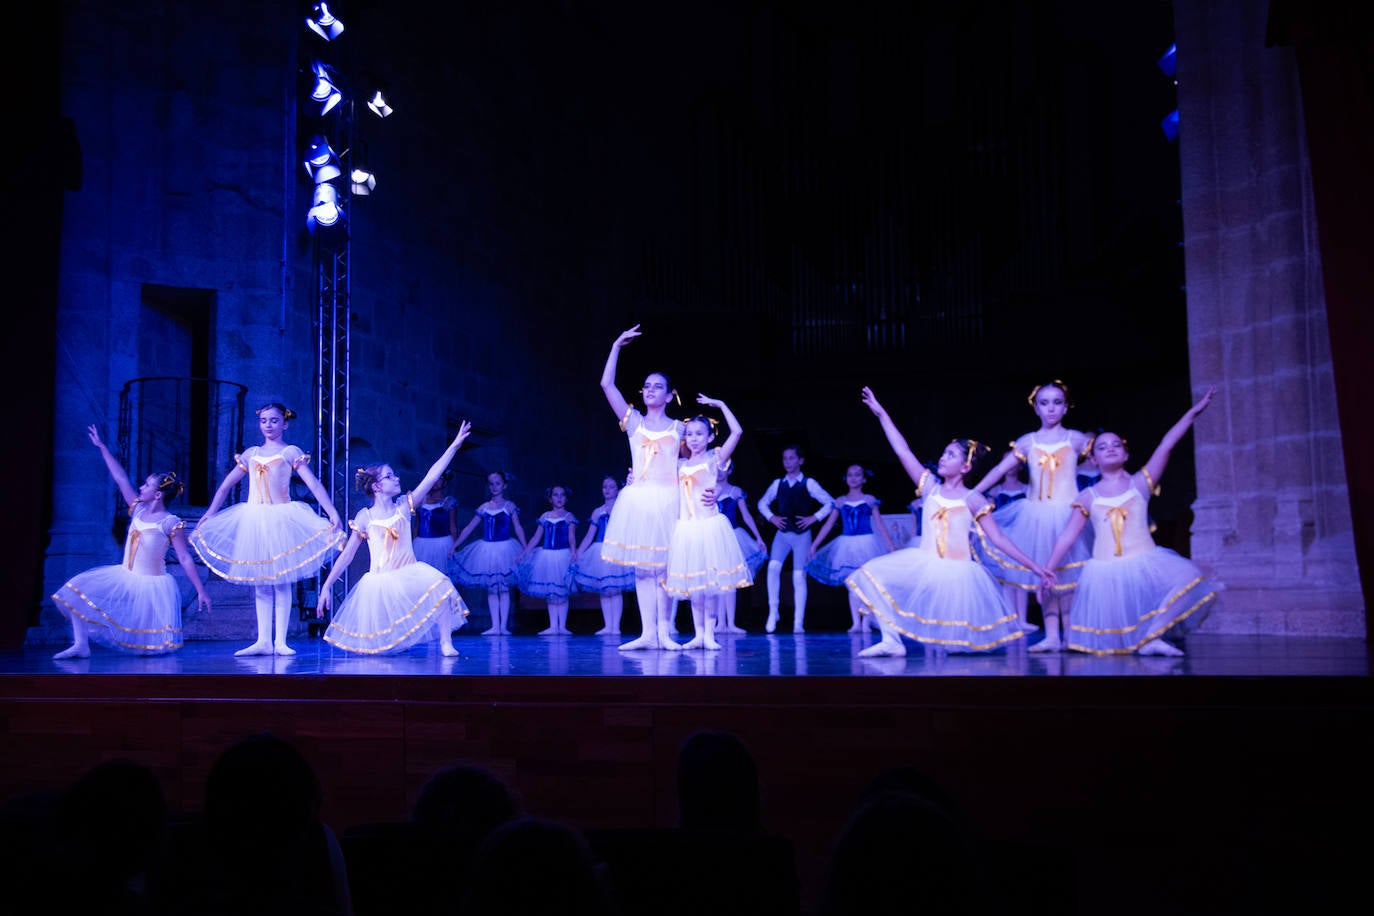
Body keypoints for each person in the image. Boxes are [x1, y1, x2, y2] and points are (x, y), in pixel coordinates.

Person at [847, 387, 1050, 657]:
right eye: (944, 453)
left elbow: (998, 539)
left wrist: (1035, 566)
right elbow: (903, 451)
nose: (943, 457)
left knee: (956, 651)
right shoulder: (930, 487)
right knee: (871, 576)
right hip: (925, 563)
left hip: (957, 573)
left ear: (965, 467)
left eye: (951, 455)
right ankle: (891, 641)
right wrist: (882, 414)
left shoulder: (973, 499)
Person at [1042, 388, 1219, 655]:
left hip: (1144, 560)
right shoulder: (1087, 496)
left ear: (1125, 454)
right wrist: (1047, 570)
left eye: (1116, 445)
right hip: (1105, 569)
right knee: (1110, 644)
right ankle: (1142, 646)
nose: (1110, 449)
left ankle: (1151, 636)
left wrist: (1192, 414)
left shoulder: (1141, 484)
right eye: (1102, 447)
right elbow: (1068, 535)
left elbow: (1166, 445)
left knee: (1191, 578)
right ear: (1093, 459)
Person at [193, 403, 343, 656]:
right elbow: (225, 487)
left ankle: (281, 641)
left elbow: (314, 484)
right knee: (260, 582)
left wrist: (332, 512)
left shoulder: (289, 452)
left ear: (285, 424)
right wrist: (209, 513)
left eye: (274, 420)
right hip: (254, 519)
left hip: (280, 518)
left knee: (281, 580)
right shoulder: (250, 454)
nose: (268, 425)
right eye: (264, 420)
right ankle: (263, 640)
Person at [52, 425, 211, 658]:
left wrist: (201, 590)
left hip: (151, 585)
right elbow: (120, 478)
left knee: (150, 651)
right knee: (74, 593)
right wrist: (102, 447)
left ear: (158, 494)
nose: (140, 487)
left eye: (146, 485)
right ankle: (81, 645)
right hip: (125, 575)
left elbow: (185, 557)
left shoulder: (170, 522)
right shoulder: (137, 510)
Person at [318, 422, 472, 656]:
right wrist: (327, 586)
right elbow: (347, 555)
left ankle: (446, 642)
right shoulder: (365, 518)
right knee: (380, 649)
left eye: (394, 475)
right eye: (390, 476)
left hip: (409, 573)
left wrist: (454, 446)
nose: (396, 478)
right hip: (380, 581)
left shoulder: (403, 507)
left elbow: (431, 476)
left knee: (441, 587)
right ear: (378, 486)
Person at [971, 380, 1094, 652]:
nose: (1051, 408)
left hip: (1067, 514)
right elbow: (1000, 470)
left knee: (1069, 579)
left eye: (1057, 402)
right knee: (1046, 574)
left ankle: (1071, 634)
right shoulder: (1028, 442)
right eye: (1045, 403)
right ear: (1036, 408)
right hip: (1035, 516)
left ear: (1065, 407)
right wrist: (973, 493)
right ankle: (1051, 635)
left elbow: (1106, 463)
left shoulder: (1076, 439)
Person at [598, 325, 684, 651]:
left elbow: (693, 467)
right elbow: (607, 384)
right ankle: (648, 633)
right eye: (646, 385)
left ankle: (665, 633)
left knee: (665, 569)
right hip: (640, 500)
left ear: (668, 395)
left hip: (669, 500)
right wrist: (617, 344)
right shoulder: (633, 422)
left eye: (657, 386)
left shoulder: (679, 429)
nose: (649, 390)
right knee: (643, 569)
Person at [663, 396, 751, 651]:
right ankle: (698, 634)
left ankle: (710, 635)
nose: (693, 438)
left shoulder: (715, 458)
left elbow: (737, 431)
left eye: (699, 434)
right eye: (689, 434)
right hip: (686, 529)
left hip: (709, 526)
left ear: (710, 437)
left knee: (710, 586)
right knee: (694, 585)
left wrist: (721, 405)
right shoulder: (679, 464)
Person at [806, 465, 897, 635]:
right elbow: (828, 524)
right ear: (846, 478)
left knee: (867, 583)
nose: (853, 478)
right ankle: (855, 622)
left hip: (867, 543)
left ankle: (866, 621)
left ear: (864, 479)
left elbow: (879, 524)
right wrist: (815, 544)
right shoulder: (840, 502)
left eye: (857, 475)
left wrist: (889, 544)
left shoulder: (869, 500)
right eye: (850, 475)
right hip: (847, 545)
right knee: (851, 584)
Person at [756, 445, 835, 633]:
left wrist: (813, 518)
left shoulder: (809, 483)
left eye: (792, 458)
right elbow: (762, 503)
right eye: (785, 459)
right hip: (782, 534)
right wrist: (772, 517)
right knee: (773, 567)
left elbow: (830, 502)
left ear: (800, 460)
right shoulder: (778, 484)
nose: (788, 462)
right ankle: (773, 611)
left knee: (799, 576)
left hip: (802, 534)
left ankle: (798, 622)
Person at [451, 471, 528, 636]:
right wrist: (455, 545)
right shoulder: (484, 507)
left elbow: (518, 527)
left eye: (498, 483)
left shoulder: (509, 506)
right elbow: (469, 527)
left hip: (505, 548)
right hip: (487, 550)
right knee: (492, 588)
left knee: (503, 587)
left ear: (504, 485)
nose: (494, 487)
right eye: (491, 483)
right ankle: (495, 626)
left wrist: (526, 547)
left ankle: (503, 626)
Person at [572, 475, 635, 635]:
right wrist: (579, 552)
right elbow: (589, 535)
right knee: (604, 589)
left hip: (616, 549)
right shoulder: (597, 511)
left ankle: (616, 627)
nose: (607, 490)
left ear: (617, 489)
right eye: (604, 487)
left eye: (611, 487)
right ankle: (608, 626)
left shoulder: (622, 508)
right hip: (600, 550)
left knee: (615, 588)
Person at [711, 463, 767, 634]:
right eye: (717, 469)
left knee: (731, 580)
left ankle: (731, 623)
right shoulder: (708, 489)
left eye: (724, 468)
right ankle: (719, 623)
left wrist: (758, 537)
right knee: (718, 580)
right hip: (714, 537)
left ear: (730, 470)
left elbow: (747, 516)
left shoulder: (735, 491)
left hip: (733, 537)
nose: (721, 472)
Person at [517, 485, 579, 635]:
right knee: (551, 593)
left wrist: (573, 552)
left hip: (562, 555)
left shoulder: (568, 516)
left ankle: (562, 626)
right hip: (547, 556)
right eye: (555, 495)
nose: (559, 498)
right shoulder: (545, 516)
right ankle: (553, 626)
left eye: (562, 495)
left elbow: (571, 537)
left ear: (566, 498)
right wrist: (525, 552)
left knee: (562, 592)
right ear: (550, 499)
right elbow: (536, 537)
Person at [985, 464, 1036, 632]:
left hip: (1022, 535)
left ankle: (1023, 619)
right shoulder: (995, 490)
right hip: (1002, 535)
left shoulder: (1027, 488)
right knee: (1007, 578)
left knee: (1020, 575)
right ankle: (1011, 618)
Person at [412, 471, 460, 596]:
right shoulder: (421, 501)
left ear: (445, 481)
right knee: (422, 580)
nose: (436, 481)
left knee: (442, 578)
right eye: (435, 478)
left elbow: (453, 526)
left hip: (442, 543)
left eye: (440, 478)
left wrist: (455, 547)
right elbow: (417, 525)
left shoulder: (448, 502)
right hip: (422, 545)